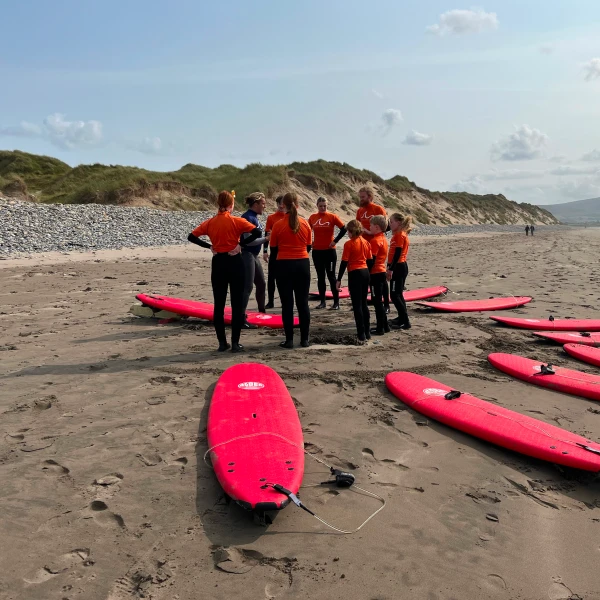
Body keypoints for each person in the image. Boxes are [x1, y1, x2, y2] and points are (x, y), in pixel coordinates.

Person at [188, 190, 261, 352]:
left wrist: (209, 246)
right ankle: (235, 343)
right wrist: (241, 245)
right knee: (236, 303)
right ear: (231, 205)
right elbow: (257, 232)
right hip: (235, 261)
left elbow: (191, 237)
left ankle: (222, 343)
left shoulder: (210, 222)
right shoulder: (236, 221)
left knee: (219, 305)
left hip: (219, 262)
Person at [270, 192, 312, 349]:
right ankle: (304, 340)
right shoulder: (305, 224)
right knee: (303, 304)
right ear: (298, 205)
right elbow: (308, 247)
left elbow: (273, 251)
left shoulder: (278, 225)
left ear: (283, 205)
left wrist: (274, 270)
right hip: (302, 264)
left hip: (284, 265)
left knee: (287, 304)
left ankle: (289, 340)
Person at [336, 220, 373, 345]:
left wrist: (338, 279)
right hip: (365, 273)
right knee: (364, 304)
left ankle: (361, 333)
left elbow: (344, 262)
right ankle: (367, 332)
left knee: (357, 305)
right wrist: (369, 276)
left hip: (355, 274)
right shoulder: (366, 242)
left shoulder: (349, 244)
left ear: (351, 231)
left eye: (348, 232)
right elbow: (370, 261)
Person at [308, 197, 347, 310]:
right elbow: (307, 231)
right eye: (321, 206)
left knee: (331, 276)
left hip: (329, 252)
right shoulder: (312, 217)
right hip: (317, 252)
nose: (323, 208)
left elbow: (343, 229)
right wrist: (310, 243)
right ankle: (322, 302)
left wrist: (335, 241)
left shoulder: (332, 217)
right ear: (317, 206)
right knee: (320, 277)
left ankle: (336, 303)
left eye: (325, 206)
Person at [357, 185, 390, 313]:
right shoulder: (360, 210)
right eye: (360, 197)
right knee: (367, 274)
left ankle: (386, 304)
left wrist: (371, 234)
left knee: (379, 275)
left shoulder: (378, 209)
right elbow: (357, 225)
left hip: (377, 245)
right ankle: (366, 301)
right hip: (364, 245)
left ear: (370, 197)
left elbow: (386, 227)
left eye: (363, 197)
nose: (361, 199)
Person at [240, 192, 268, 328]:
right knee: (247, 286)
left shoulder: (255, 217)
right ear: (256, 204)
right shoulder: (247, 218)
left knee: (261, 284)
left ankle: (262, 311)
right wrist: (266, 239)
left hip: (254, 256)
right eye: (263, 203)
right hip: (246, 255)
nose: (265, 206)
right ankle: (241, 318)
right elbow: (247, 241)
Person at [386, 213, 412, 330]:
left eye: (391, 222)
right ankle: (401, 317)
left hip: (398, 267)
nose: (389, 224)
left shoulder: (400, 235)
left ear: (399, 223)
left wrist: (391, 269)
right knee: (398, 294)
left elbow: (398, 253)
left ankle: (405, 321)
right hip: (397, 266)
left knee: (395, 295)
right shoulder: (397, 234)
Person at [263, 196, 287, 309]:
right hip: (274, 250)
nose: (281, 206)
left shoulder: (289, 217)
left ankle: (284, 301)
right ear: (276, 204)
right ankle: (271, 301)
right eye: (279, 204)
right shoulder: (271, 218)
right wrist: (265, 251)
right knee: (271, 277)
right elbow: (267, 235)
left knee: (283, 278)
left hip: (286, 251)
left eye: (283, 204)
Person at [368, 215, 390, 336]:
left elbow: (372, 260)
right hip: (382, 272)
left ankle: (380, 328)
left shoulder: (375, 241)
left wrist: (367, 275)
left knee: (377, 302)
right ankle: (385, 326)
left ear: (376, 227)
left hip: (376, 273)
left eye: (371, 225)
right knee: (379, 301)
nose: (369, 227)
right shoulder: (383, 239)